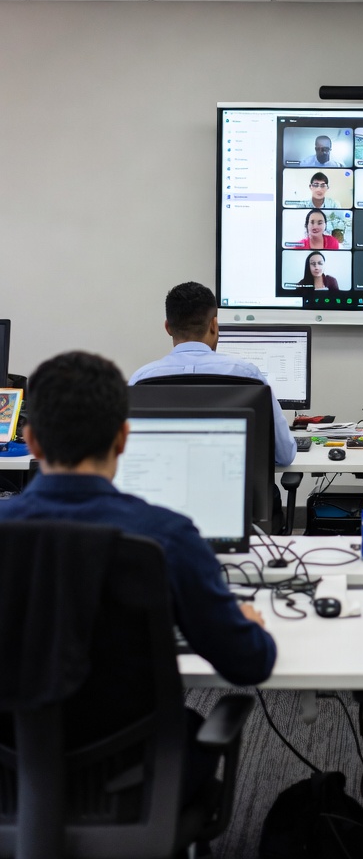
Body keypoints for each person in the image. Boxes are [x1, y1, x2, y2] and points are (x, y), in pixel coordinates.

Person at [0, 351, 276, 794]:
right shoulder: (166, 535)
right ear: (124, 437)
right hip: (134, 780)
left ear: (30, 441)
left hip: (9, 780)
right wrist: (243, 624)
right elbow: (249, 664)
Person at [129, 282, 296, 466]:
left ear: (168, 327)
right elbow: (285, 455)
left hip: (165, 493)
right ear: (214, 325)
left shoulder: (141, 380)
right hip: (239, 493)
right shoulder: (248, 376)